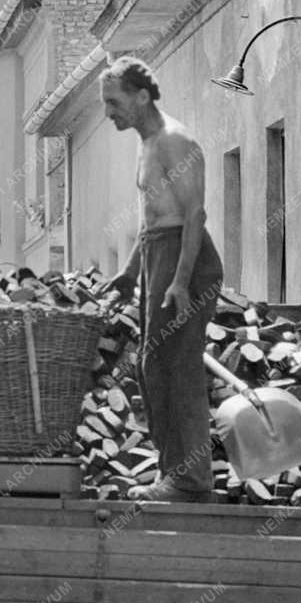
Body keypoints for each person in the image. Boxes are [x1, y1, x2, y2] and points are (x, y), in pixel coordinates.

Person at [100, 56, 223, 503]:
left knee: (178, 367)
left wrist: (181, 281)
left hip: (186, 260)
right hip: (159, 255)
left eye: (114, 103)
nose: (108, 113)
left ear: (142, 96)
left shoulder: (175, 140)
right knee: (151, 366)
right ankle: (174, 473)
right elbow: (153, 216)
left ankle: (191, 482)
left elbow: (194, 214)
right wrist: (131, 270)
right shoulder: (145, 142)